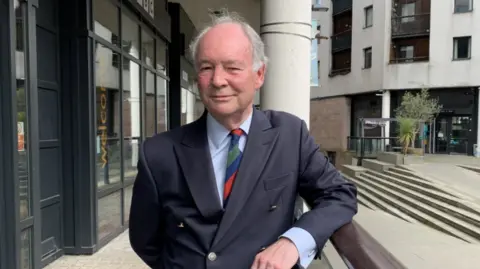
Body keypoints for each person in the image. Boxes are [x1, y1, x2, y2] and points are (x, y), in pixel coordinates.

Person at [129, 12, 357, 269]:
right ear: (196, 78)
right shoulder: (159, 152)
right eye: (206, 67)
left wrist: (294, 241)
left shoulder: (289, 136)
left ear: (259, 75)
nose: (217, 80)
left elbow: (339, 195)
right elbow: (145, 240)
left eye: (232, 67)